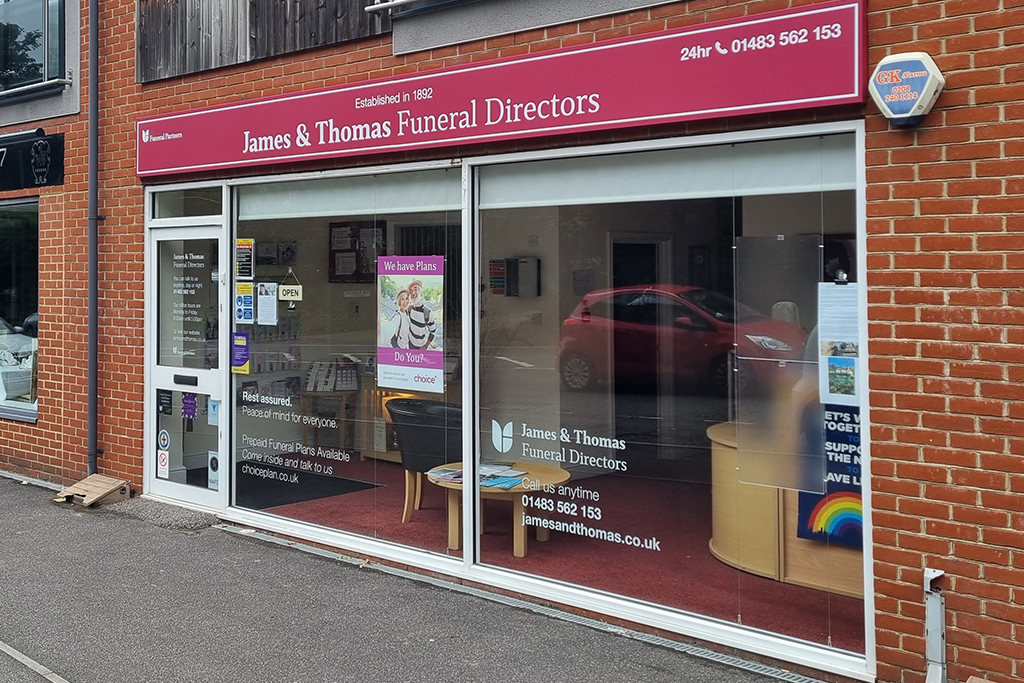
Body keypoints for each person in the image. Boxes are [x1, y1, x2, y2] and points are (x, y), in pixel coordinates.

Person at [406, 279, 437, 350]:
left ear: (420, 291)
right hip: (410, 344)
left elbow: (433, 331)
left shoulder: (427, 312)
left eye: (415, 289)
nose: (413, 293)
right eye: (411, 291)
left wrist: (426, 346)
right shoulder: (409, 309)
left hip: (421, 347)